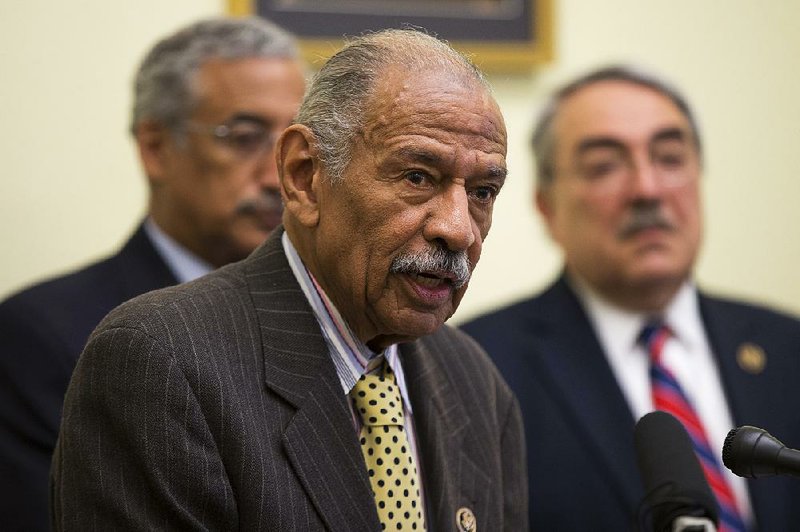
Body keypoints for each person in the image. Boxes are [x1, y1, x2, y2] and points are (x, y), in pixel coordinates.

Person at [50, 28, 527, 531]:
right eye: (417, 177)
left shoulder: (475, 382)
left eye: (482, 191)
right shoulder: (161, 362)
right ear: (304, 175)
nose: (456, 229)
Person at [462, 65, 800, 531]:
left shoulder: (788, 347)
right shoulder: (476, 368)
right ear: (546, 205)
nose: (648, 189)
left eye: (670, 157)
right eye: (604, 166)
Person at [0, 17, 305, 531]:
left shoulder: (332, 322)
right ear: (156, 148)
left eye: (296, 144)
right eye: (245, 137)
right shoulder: (42, 336)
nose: (279, 175)